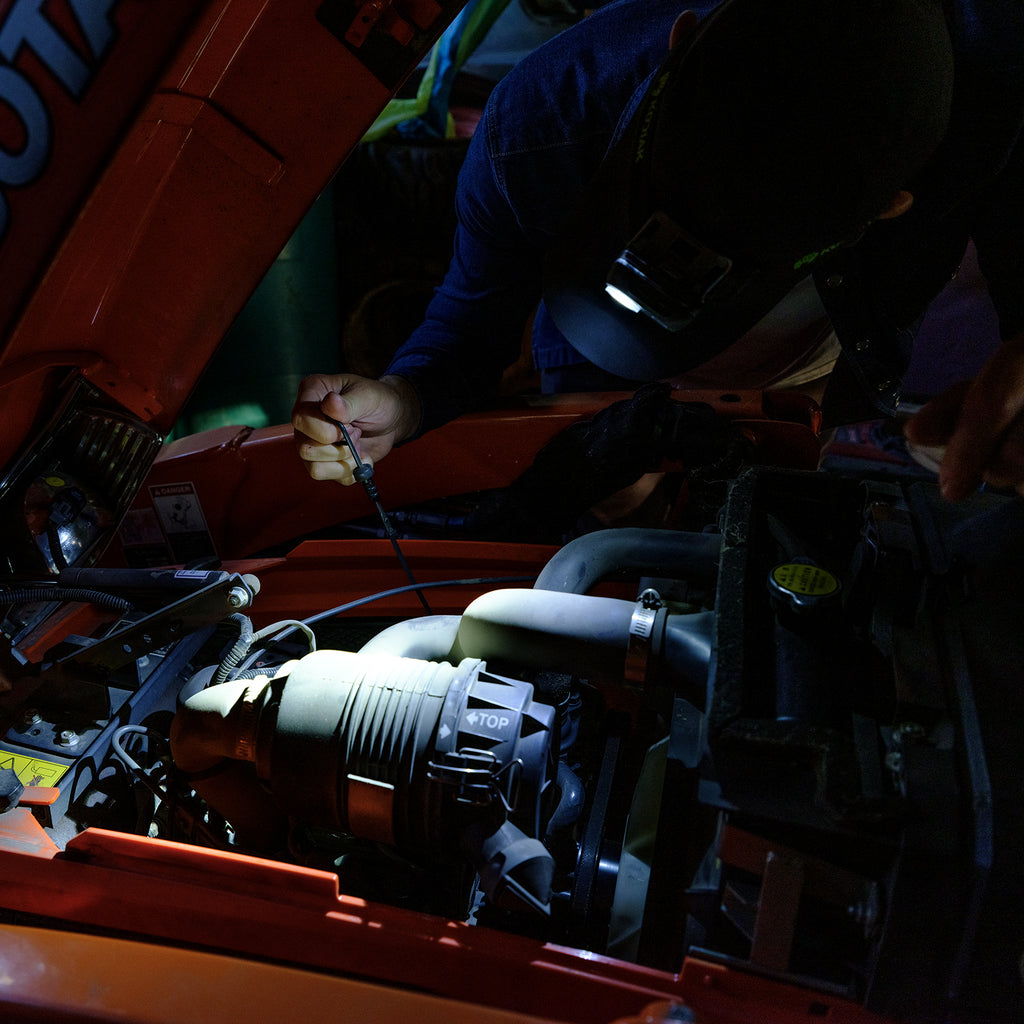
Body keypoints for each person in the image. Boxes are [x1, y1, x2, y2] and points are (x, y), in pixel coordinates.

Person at [293, 0, 1024, 503]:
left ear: (890, 206)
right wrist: (404, 400)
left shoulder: (995, 108)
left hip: (819, 365)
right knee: (605, 503)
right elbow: (469, 327)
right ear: (681, 38)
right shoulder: (537, 129)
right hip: (596, 345)